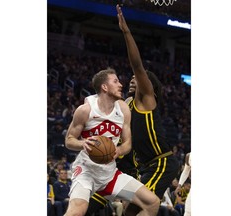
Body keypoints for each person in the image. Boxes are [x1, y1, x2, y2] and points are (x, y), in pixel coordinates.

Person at [64, 68, 160, 216]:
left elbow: (128, 143)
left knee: (152, 203)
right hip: (86, 172)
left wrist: (119, 151)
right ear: (104, 87)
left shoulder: (123, 109)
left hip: (110, 176)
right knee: (77, 211)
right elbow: (69, 140)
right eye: (115, 81)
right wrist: (83, 143)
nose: (121, 85)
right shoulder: (85, 110)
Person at [116, 4, 180, 214]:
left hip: (161, 162)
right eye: (132, 78)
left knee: (136, 210)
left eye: (139, 78)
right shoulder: (128, 104)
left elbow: (137, 65)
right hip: (144, 167)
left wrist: (126, 32)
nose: (133, 78)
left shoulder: (146, 100)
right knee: (133, 210)